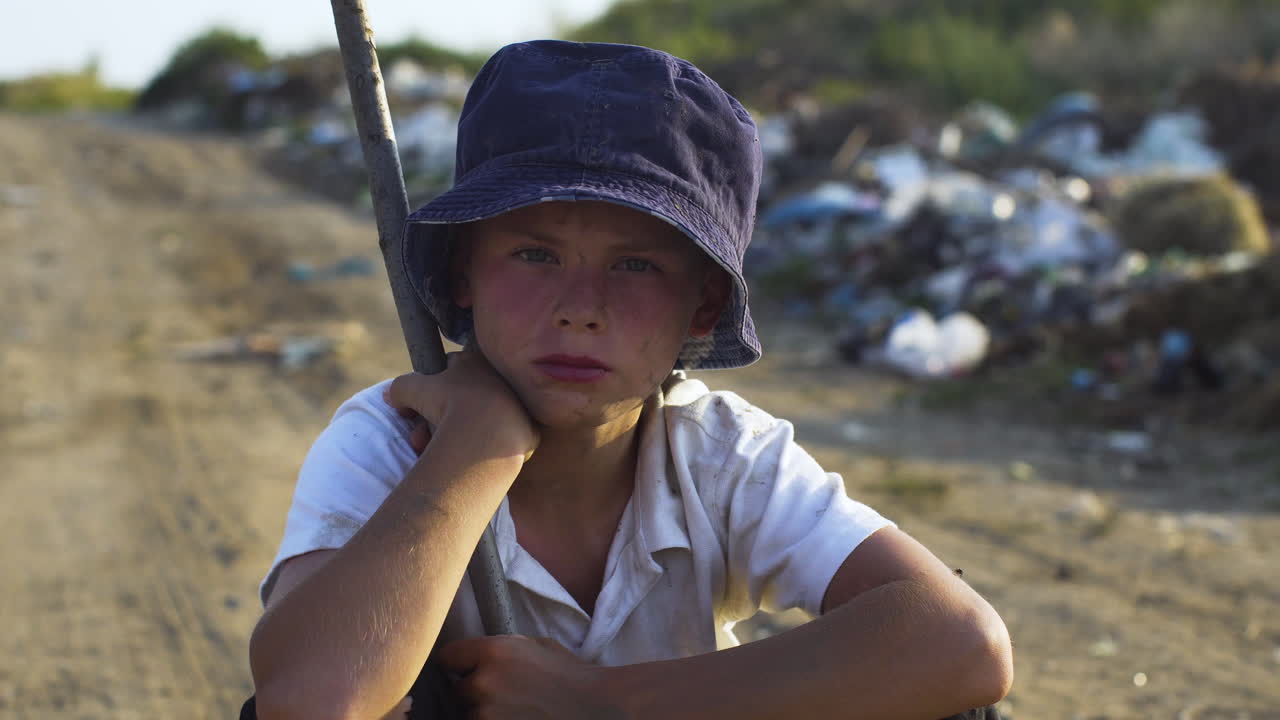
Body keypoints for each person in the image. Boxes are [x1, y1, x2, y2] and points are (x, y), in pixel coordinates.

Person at [247, 40, 1012, 720]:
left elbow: (963, 643)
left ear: (700, 304)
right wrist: (477, 450)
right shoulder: (391, 440)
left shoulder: (717, 453)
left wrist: (601, 701)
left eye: (636, 265)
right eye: (534, 254)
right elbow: (311, 702)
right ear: (464, 272)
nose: (580, 310)